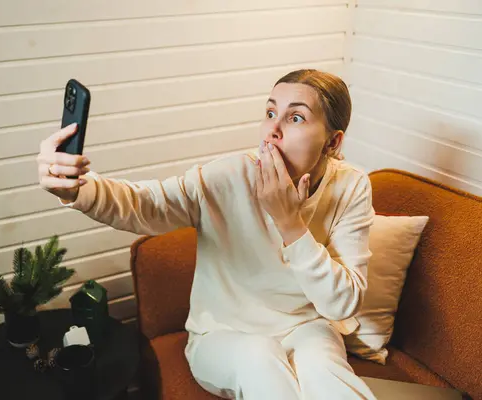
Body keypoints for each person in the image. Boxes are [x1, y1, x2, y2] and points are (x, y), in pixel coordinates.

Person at [36, 69, 377, 400]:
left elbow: (342, 304)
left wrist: (290, 224)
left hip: (308, 329)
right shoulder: (229, 176)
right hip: (225, 334)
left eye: (296, 118)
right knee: (259, 360)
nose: (271, 130)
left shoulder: (351, 186)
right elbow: (145, 204)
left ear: (332, 142)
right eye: (270, 112)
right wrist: (76, 189)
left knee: (326, 372)